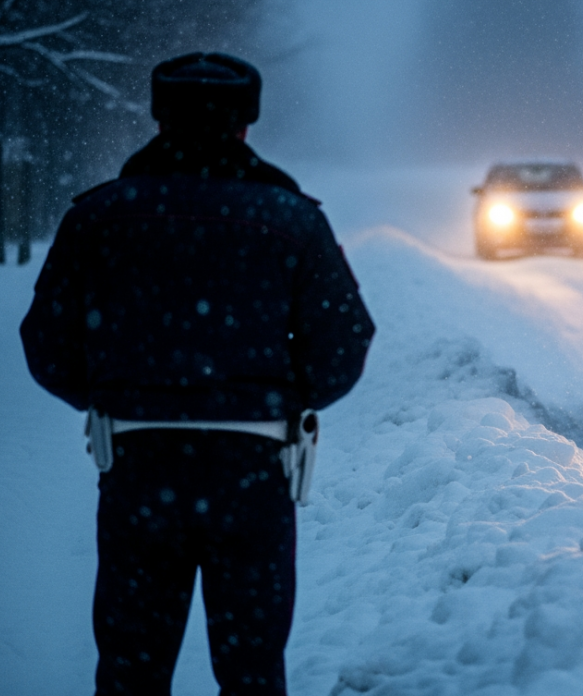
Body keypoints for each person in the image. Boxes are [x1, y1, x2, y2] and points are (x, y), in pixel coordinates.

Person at [20, 52, 374, 694]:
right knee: (252, 667)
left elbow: (44, 341)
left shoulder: (98, 216)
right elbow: (346, 340)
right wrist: (284, 399)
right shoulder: (293, 219)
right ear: (247, 122)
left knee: (131, 666)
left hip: (137, 464)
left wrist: (110, 397)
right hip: (253, 469)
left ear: (159, 116)